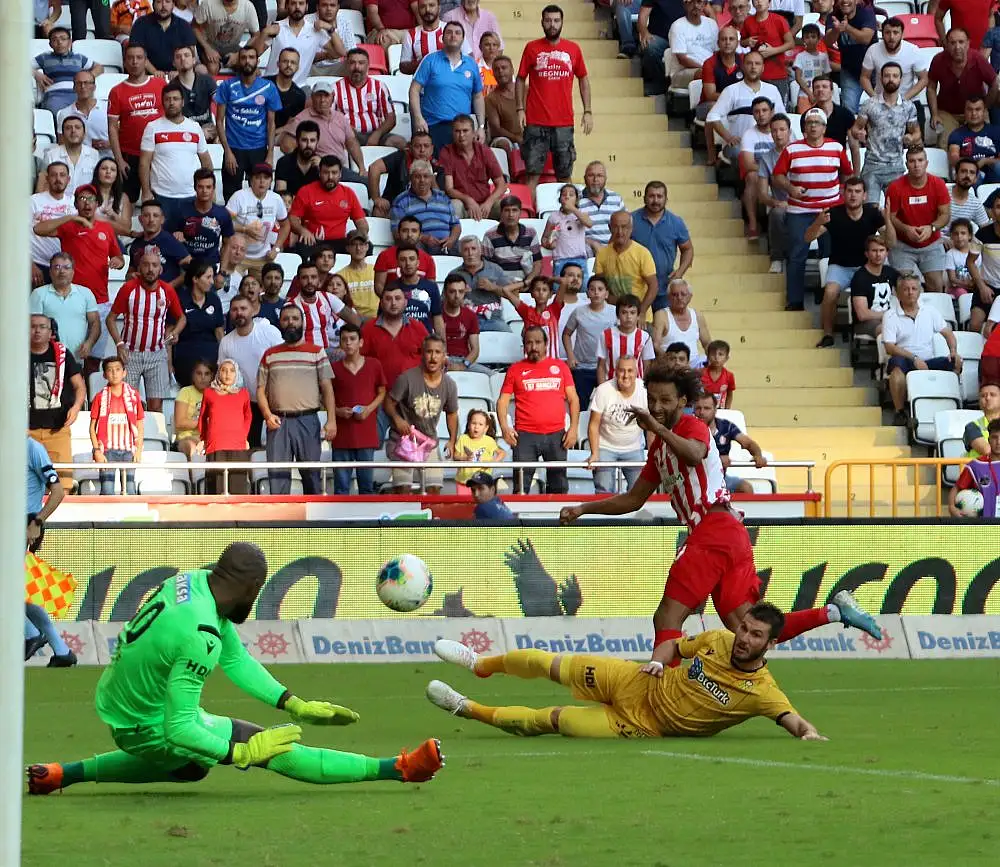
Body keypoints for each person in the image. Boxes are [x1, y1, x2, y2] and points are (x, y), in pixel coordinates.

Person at [27, 542, 443, 795]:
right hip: (147, 725)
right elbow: (179, 728)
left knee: (191, 769)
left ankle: (61, 775)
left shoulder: (192, 584)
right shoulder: (201, 634)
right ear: (251, 588)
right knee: (261, 746)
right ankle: (399, 768)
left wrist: (292, 703)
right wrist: (240, 754)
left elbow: (236, 659)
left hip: (122, 704)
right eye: (257, 593)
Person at [559, 364, 882, 670]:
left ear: (682, 401)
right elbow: (633, 499)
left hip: (712, 529)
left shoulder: (691, 427)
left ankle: (663, 690)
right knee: (747, 627)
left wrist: (655, 428)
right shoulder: (659, 451)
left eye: (665, 400)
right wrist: (584, 508)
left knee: (667, 618)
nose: (656, 406)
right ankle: (834, 612)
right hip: (729, 532)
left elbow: (694, 453)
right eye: (652, 399)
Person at [427, 603, 831, 741]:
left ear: (771, 645)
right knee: (547, 663)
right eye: (744, 627)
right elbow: (675, 646)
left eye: (755, 635)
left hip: (640, 724)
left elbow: (793, 720)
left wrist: (809, 734)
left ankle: (466, 708)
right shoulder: (719, 639)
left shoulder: (763, 692)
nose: (743, 637)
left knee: (551, 720)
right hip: (634, 679)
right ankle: (480, 664)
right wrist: (657, 659)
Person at [771, 107, 853, 311]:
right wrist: (790, 188)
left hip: (830, 210)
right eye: (809, 123)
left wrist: (840, 194)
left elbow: (847, 174)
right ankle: (795, 300)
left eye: (817, 123)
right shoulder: (792, 150)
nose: (813, 126)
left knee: (831, 255)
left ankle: (826, 296)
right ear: (804, 128)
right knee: (797, 254)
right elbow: (777, 176)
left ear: (824, 127)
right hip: (799, 211)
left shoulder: (836, 148)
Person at [256, 304, 337, 494]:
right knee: (277, 477)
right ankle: (280, 514)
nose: (290, 322)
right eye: (286, 319)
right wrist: (267, 415)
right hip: (278, 422)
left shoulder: (316, 352)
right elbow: (260, 390)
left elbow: (327, 388)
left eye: (295, 318)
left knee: (311, 476)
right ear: (280, 323)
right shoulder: (270, 354)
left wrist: (332, 420)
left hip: (307, 420)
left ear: (303, 322)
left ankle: (313, 513)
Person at [515, 5, 592, 195]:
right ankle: (529, 211)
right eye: (548, 20)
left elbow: (583, 78)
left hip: (563, 122)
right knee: (532, 174)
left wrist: (588, 111)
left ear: (562, 22)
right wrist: (520, 109)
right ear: (542, 22)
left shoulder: (573, 49)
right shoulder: (531, 48)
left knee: (564, 175)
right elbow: (520, 78)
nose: (552, 25)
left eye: (556, 20)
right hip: (535, 121)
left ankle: (568, 210)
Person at [805, 177, 890, 347]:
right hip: (840, 266)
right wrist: (818, 222)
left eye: (857, 191)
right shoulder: (833, 214)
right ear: (843, 194)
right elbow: (808, 238)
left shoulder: (873, 213)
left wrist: (887, 219)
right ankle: (828, 334)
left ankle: (879, 332)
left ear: (864, 195)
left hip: (866, 267)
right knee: (830, 293)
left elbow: (890, 241)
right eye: (849, 191)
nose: (853, 195)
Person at [33, 183, 125, 337]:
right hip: (71, 298)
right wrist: (70, 217)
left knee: (96, 351)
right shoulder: (68, 226)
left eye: (91, 199)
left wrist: (118, 261)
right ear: (75, 204)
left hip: (99, 299)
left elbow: (119, 257)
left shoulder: (106, 228)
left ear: (97, 203)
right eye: (82, 199)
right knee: (71, 346)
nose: (87, 203)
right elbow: (38, 229)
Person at [497, 325, 579, 494]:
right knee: (521, 487)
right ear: (524, 345)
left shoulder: (561, 367)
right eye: (529, 343)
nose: (533, 347)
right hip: (525, 436)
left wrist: (573, 429)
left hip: (556, 434)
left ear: (546, 344)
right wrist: (505, 428)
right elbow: (502, 401)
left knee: (559, 487)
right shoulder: (515, 369)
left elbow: (573, 399)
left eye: (538, 342)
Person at [108, 248, 188, 413]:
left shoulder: (167, 290)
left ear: (161, 269)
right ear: (139, 268)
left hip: (157, 354)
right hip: (130, 353)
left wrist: (176, 332)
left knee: (156, 406)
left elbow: (182, 318)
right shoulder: (128, 289)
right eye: (146, 265)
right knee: (128, 404)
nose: (150, 269)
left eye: (154, 265)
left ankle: (153, 429)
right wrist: (119, 344)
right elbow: (110, 319)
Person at [882, 272, 962, 425]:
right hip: (904, 359)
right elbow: (889, 347)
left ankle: (950, 407)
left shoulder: (930, 311)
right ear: (897, 293)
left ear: (920, 291)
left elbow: (948, 333)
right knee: (897, 370)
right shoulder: (890, 315)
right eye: (906, 289)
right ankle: (900, 412)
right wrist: (914, 358)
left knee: (956, 362)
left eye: (914, 288)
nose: (910, 292)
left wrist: (953, 351)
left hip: (928, 361)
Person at [384, 335, 458, 494]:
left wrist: (452, 441)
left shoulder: (449, 384)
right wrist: (397, 419)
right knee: (403, 489)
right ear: (422, 354)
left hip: (428, 441)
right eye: (429, 352)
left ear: (444, 356)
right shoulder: (406, 378)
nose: (433, 357)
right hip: (403, 441)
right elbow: (388, 402)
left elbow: (452, 413)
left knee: (434, 489)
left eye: (437, 352)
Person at [24, 434, 74, 666]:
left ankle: (32, 635)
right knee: (19, 591)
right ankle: (61, 651)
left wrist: (37, 522)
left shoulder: (32, 449)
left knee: (11, 588)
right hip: (9, 525)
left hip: (26, 524)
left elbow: (58, 492)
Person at [138, 81, 213, 227]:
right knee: (164, 238)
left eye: (175, 99)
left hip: (191, 196)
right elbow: (144, 163)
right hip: (162, 196)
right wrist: (146, 192)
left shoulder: (194, 127)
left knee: (191, 238)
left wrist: (210, 191)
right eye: (167, 99)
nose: (171, 103)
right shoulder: (153, 127)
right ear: (163, 102)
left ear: (183, 102)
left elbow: (206, 161)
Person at [215, 45, 282, 200]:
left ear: (257, 61)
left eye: (251, 57)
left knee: (261, 196)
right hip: (234, 149)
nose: (247, 61)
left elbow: (271, 123)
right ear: (239, 61)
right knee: (231, 197)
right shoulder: (227, 86)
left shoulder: (268, 87)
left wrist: (270, 154)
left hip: (258, 149)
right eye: (243, 58)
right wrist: (227, 152)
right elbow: (219, 121)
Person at [29, 314, 86, 490]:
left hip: (57, 430)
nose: (37, 330)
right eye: (32, 326)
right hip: (25, 432)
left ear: (51, 332)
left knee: (62, 486)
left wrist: (76, 407)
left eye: (42, 327)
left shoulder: (63, 354)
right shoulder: (14, 353)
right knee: (24, 486)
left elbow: (79, 386)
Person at [409, 20, 485, 153]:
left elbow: (478, 96)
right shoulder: (430, 60)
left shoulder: (471, 64)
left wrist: (481, 126)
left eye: (457, 33)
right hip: (434, 126)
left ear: (463, 39)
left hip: (462, 129)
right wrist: (418, 118)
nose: (453, 35)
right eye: (449, 32)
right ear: (442, 38)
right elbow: (414, 90)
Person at [218, 295, 283, 448]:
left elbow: (284, 361)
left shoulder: (269, 331)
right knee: (251, 447)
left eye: (243, 308)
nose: (239, 312)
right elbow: (222, 376)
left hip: (274, 399)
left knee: (278, 446)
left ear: (253, 311)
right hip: (246, 404)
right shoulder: (226, 342)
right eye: (234, 309)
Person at [854, 62, 922, 208]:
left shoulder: (908, 106)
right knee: (870, 211)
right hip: (872, 166)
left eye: (895, 76)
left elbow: (917, 133)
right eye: (887, 76)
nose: (891, 79)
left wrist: (911, 138)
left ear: (900, 79)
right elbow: (856, 129)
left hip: (896, 166)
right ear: (881, 78)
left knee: (897, 210)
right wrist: (860, 133)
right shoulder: (869, 104)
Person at [885, 146, 950, 295]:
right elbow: (891, 216)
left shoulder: (938, 184)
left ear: (926, 163)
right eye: (912, 161)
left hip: (931, 242)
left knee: (937, 285)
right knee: (904, 287)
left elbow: (945, 214)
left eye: (920, 160)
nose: (916, 165)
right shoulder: (895, 187)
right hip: (903, 244)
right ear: (906, 164)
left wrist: (931, 228)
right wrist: (905, 229)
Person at [330, 323, 386, 495]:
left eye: (352, 339)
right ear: (340, 343)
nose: (348, 343)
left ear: (361, 342)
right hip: (342, 434)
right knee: (341, 488)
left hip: (366, 433)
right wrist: (338, 411)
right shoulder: (334, 368)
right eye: (344, 339)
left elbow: (382, 392)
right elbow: (325, 397)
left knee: (366, 487)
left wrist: (369, 409)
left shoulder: (374, 365)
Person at [108, 43, 167, 203]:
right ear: (124, 62)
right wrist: (119, 159)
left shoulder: (161, 85)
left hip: (158, 153)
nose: (135, 62)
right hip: (129, 155)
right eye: (130, 58)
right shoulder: (116, 91)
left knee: (158, 201)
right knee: (127, 201)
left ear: (146, 61)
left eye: (139, 57)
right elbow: (112, 127)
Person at [706, 51, 783, 167]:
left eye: (757, 64)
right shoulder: (731, 90)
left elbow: (782, 118)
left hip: (768, 142)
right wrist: (728, 137)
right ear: (742, 66)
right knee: (741, 154)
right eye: (749, 63)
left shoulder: (772, 90)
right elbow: (712, 116)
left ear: (763, 68)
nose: (753, 67)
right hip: (740, 144)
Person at [630, 181, 694, 323]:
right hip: (637, 288)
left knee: (664, 329)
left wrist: (680, 272)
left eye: (659, 196)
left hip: (665, 288)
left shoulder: (676, 222)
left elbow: (688, 249)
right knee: (638, 330)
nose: (655, 200)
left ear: (666, 199)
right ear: (644, 198)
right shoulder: (631, 220)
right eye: (651, 196)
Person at [279, 82, 366, 180]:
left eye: (326, 96)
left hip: (339, 169)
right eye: (318, 96)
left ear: (332, 98)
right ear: (312, 97)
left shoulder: (340, 117)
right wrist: (308, 161)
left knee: (366, 182)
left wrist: (362, 168)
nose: (322, 100)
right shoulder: (301, 118)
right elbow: (286, 146)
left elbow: (352, 143)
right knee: (364, 183)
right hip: (317, 170)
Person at [587, 355, 648, 494]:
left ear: (636, 372)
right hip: (605, 447)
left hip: (634, 447)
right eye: (622, 370)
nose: (626, 375)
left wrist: (652, 454)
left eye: (630, 371)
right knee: (604, 492)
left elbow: (651, 427)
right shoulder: (603, 390)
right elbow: (593, 424)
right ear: (615, 372)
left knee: (639, 492)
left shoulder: (645, 390)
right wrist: (595, 453)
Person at [928, 27, 999, 145]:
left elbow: (994, 83)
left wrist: (985, 107)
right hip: (947, 112)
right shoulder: (938, 60)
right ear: (946, 44)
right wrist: (934, 114)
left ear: (968, 43)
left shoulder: (978, 59)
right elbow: (931, 87)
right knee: (945, 143)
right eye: (952, 43)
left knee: (984, 144)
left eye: (961, 42)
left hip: (975, 110)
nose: (957, 47)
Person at [289, 155, 369, 256]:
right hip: (313, 240)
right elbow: (293, 218)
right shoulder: (306, 191)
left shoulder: (348, 193)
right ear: (319, 173)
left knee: (366, 246)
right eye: (326, 173)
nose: (330, 177)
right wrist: (302, 230)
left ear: (340, 174)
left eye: (334, 173)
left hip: (340, 242)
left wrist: (361, 236)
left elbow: (361, 221)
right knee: (302, 246)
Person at [30, 252, 100, 365]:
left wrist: (90, 343)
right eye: (57, 267)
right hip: (47, 360)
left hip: (76, 359)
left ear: (73, 272)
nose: (62, 271)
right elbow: (32, 326)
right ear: (50, 272)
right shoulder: (38, 294)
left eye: (66, 267)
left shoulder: (86, 293)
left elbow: (95, 322)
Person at [90, 357, 144, 496]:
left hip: (129, 450)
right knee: (107, 490)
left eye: (118, 369)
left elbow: (139, 423)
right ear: (104, 375)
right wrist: (97, 451)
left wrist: (138, 450)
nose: (114, 373)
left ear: (124, 372)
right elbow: (92, 428)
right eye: (110, 370)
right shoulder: (99, 397)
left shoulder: (134, 396)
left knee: (130, 490)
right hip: (107, 450)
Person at [692, 391, 766, 494]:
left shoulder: (726, 426)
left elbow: (748, 443)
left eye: (707, 408)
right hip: (695, 480)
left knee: (746, 488)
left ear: (715, 410)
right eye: (698, 408)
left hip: (721, 478)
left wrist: (758, 455)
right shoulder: (689, 428)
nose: (702, 412)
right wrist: (717, 460)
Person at [197, 359, 252, 494]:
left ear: (237, 374)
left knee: (237, 488)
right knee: (216, 489)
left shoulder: (243, 393)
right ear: (218, 373)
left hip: (237, 445)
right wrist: (203, 438)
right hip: (215, 444)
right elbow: (203, 417)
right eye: (224, 370)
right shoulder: (209, 393)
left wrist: (243, 436)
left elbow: (248, 416)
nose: (228, 374)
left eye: (232, 371)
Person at [360, 285, 429, 393]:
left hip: (413, 392)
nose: (393, 303)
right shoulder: (368, 329)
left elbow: (430, 358)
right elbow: (360, 362)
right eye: (388, 299)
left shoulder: (418, 328)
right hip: (379, 393)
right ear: (381, 303)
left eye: (397, 298)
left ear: (405, 302)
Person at [226, 163, 291, 277]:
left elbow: (285, 225)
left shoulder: (276, 199)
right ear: (251, 180)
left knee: (271, 282)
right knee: (231, 285)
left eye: (266, 178)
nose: (262, 181)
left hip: (264, 256)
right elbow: (224, 223)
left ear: (271, 181)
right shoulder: (239, 197)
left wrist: (276, 248)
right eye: (258, 177)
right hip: (238, 255)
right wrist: (245, 229)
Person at [562, 275, 617, 409]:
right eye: (592, 289)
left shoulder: (615, 312)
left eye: (600, 289)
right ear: (587, 293)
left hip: (607, 367)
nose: (596, 292)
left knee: (609, 405)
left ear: (606, 294)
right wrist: (570, 356)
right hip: (582, 367)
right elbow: (566, 334)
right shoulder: (579, 312)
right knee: (580, 406)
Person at [439, 115, 508, 220]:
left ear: (473, 133)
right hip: (462, 204)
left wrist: (489, 203)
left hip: (485, 204)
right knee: (455, 205)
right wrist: (468, 200)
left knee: (506, 206)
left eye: (465, 131)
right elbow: (449, 189)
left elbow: (501, 185)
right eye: (457, 131)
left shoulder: (484, 151)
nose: (461, 135)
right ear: (452, 133)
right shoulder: (446, 152)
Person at [256, 0, 340, 86]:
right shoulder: (277, 27)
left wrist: (329, 28)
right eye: (293, 3)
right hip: (271, 85)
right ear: (287, 6)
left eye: (301, 3)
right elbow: (257, 53)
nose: (297, 7)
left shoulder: (314, 30)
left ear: (306, 6)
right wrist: (264, 33)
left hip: (299, 87)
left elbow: (339, 53)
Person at [334, 48, 405, 149]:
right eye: (352, 63)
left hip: (376, 133)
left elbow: (391, 118)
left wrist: (377, 134)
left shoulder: (379, 86)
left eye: (361, 63)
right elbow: (328, 117)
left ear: (368, 65)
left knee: (399, 142)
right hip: (347, 135)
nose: (357, 67)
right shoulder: (335, 88)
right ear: (346, 65)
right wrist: (345, 130)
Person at [595, 212, 658, 321]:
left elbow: (654, 286)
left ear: (631, 228)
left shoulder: (642, 253)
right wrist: (609, 298)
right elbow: (599, 284)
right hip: (612, 315)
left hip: (639, 317)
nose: (620, 232)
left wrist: (642, 312)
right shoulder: (602, 254)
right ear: (609, 228)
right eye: (616, 227)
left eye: (624, 227)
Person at [389, 161, 461, 253]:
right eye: (417, 177)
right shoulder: (401, 201)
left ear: (431, 179)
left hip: (447, 245)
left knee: (469, 246)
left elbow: (456, 225)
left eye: (426, 176)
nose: (422, 180)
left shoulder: (443, 197)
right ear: (410, 178)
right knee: (412, 244)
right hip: (421, 245)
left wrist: (451, 240)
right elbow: (397, 232)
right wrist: (423, 238)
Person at [698, 26, 745, 165]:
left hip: (736, 103)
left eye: (731, 39)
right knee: (713, 111)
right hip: (707, 104)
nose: (727, 42)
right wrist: (732, 100)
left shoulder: (744, 61)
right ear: (718, 43)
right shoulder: (710, 63)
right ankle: (711, 154)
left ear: (737, 43)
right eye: (724, 39)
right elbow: (710, 94)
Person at [174, 260, 225, 386]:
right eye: (208, 277)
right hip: (186, 357)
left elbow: (219, 332)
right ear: (195, 279)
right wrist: (169, 365)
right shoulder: (180, 299)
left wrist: (224, 359)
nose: (212, 281)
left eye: (212, 277)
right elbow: (171, 332)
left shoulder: (214, 299)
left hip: (211, 357)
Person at [860, 16, 929, 106]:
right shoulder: (873, 50)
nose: (891, 37)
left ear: (902, 34)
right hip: (880, 102)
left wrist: (904, 99)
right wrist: (875, 98)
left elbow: (924, 78)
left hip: (909, 100)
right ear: (882, 34)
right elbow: (864, 77)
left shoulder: (913, 51)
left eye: (895, 32)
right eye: (887, 32)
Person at [32, 27, 103, 114]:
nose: (59, 42)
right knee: (57, 113)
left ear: (70, 42)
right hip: (54, 95)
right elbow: (22, 66)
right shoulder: (44, 57)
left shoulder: (78, 57)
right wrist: (36, 74)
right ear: (50, 44)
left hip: (79, 93)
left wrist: (88, 77)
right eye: (55, 39)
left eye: (63, 39)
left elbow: (99, 67)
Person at [173, 169, 236, 267]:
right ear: (195, 187)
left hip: (211, 266)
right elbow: (167, 236)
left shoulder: (222, 214)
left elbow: (228, 243)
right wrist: (175, 236)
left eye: (208, 187)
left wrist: (222, 271)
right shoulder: (181, 210)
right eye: (200, 187)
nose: (204, 191)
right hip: (186, 265)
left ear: (214, 188)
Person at [368, 132, 439, 218]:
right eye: (417, 146)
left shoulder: (437, 165)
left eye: (426, 146)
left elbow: (439, 197)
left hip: (425, 206)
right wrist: (376, 198)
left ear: (432, 149)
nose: (422, 150)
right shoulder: (401, 157)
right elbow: (374, 168)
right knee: (379, 210)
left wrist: (430, 174)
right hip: (396, 204)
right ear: (410, 147)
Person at [823, 0, 875, 113]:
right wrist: (836, 30)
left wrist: (847, 28)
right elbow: (827, 41)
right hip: (850, 70)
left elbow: (866, 38)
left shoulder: (866, 12)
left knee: (882, 106)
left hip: (874, 70)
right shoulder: (833, 16)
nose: (845, 1)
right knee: (848, 110)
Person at [450, 235, 512, 332]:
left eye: (473, 249)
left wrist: (493, 287)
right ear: (461, 253)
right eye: (466, 250)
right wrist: (458, 295)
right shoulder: (454, 274)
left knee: (508, 336)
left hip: (493, 320)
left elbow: (512, 294)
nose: (470, 253)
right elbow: (444, 302)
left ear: (480, 251)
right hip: (464, 320)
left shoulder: (495, 269)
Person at [30, 163, 77, 289]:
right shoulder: (33, 201)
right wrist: (30, 264)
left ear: (68, 179)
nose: (58, 179)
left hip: (65, 268)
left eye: (62, 175)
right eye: (53, 175)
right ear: (47, 178)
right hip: (38, 265)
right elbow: (18, 234)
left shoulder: (74, 202)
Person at [740, 0, 792, 109]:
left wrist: (773, 51)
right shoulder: (748, 21)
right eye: (756, 0)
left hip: (777, 73)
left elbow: (790, 43)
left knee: (779, 109)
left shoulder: (779, 20)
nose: (759, 2)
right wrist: (747, 41)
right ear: (752, 3)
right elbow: (742, 42)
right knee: (758, 109)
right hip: (756, 74)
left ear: (769, 3)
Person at [757, 112, 792, 274]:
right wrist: (777, 203)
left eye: (782, 130)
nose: (778, 134)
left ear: (789, 132)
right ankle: (777, 258)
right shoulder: (766, 158)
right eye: (774, 131)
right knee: (776, 213)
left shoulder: (800, 151)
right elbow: (762, 195)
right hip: (782, 205)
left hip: (805, 202)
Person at [482, 195, 542, 288]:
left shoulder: (530, 232)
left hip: (527, 285)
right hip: (501, 286)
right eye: (507, 210)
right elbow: (486, 266)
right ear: (501, 213)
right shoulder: (490, 235)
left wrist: (528, 281)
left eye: (514, 210)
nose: (511, 215)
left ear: (520, 213)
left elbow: (537, 262)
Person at [129, 199, 193, 287]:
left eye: (155, 216)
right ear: (140, 219)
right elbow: (130, 273)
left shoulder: (170, 241)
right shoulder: (136, 244)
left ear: (162, 219)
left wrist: (169, 287)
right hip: (142, 293)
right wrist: (130, 276)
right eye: (146, 215)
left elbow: (191, 268)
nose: (151, 220)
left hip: (166, 294)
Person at [848, 235, 898, 340]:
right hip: (865, 323)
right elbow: (862, 315)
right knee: (888, 329)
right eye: (874, 251)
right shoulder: (860, 277)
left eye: (881, 250)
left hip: (889, 318)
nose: (878, 254)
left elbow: (907, 288)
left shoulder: (890, 272)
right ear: (866, 254)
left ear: (887, 253)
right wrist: (889, 314)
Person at [127, 0, 198, 74]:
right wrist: (155, 72)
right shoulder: (141, 23)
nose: (163, 5)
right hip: (147, 74)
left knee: (201, 70)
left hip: (178, 74)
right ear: (153, 5)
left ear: (173, 5)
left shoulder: (184, 25)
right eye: (159, 2)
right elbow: (137, 54)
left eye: (167, 1)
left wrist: (179, 72)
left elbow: (190, 54)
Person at [598, 294, 656, 382]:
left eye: (632, 313)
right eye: (624, 312)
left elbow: (647, 367)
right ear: (618, 315)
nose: (628, 317)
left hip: (636, 385)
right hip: (611, 384)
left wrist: (644, 387)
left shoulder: (645, 337)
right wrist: (602, 387)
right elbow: (601, 366)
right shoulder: (606, 335)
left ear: (638, 315)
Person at [948, 419, 1000, 517]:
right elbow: (957, 488)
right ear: (988, 440)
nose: (998, 442)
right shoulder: (976, 465)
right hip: (985, 523)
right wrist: (951, 507)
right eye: (994, 437)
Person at [193, 0, 260, 75]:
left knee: (254, 71)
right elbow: (194, 27)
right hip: (211, 46)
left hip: (234, 48)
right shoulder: (208, 3)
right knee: (212, 68)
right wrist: (207, 48)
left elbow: (256, 35)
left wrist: (239, 53)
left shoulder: (247, 6)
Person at [540, 184, 592, 278]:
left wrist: (572, 208)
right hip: (560, 259)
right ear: (560, 199)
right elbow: (544, 238)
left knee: (582, 285)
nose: (567, 197)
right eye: (564, 195)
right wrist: (548, 244)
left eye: (571, 195)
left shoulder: (581, 214)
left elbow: (589, 223)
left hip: (579, 259)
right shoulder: (553, 217)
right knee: (559, 285)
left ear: (576, 200)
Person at [56, 70, 111, 158]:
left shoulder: (108, 108)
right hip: (79, 161)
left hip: (108, 160)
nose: (83, 86)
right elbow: (62, 144)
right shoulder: (65, 113)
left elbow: (123, 136)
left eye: (87, 83)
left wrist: (110, 143)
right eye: (79, 83)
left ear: (94, 87)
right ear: (74, 88)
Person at [441, 275, 489, 373]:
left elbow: (475, 350)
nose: (457, 296)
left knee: (493, 376)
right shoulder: (436, 314)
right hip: (440, 360)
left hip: (464, 360)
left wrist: (463, 365)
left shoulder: (470, 315)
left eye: (461, 292)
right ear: (445, 293)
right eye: (452, 291)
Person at [947, 96, 1000, 184]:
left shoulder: (996, 131)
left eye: (977, 109)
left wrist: (985, 161)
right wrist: (973, 165)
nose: (974, 113)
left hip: (994, 171)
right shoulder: (957, 134)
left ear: (984, 111)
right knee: (971, 173)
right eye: (970, 109)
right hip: (970, 173)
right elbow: (954, 158)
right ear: (964, 112)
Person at [39, 116, 100, 194]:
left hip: (86, 200)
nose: (73, 131)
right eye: (68, 128)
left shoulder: (94, 154)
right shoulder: (51, 155)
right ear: (62, 135)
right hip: (58, 200)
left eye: (77, 127)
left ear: (84, 134)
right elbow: (41, 186)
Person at [969, 192, 1000, 334]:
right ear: (992, 212)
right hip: (988, 286)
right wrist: (981, 287)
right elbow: (970, 262)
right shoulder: (982, 234)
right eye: (998, 207)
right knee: (975, 325)